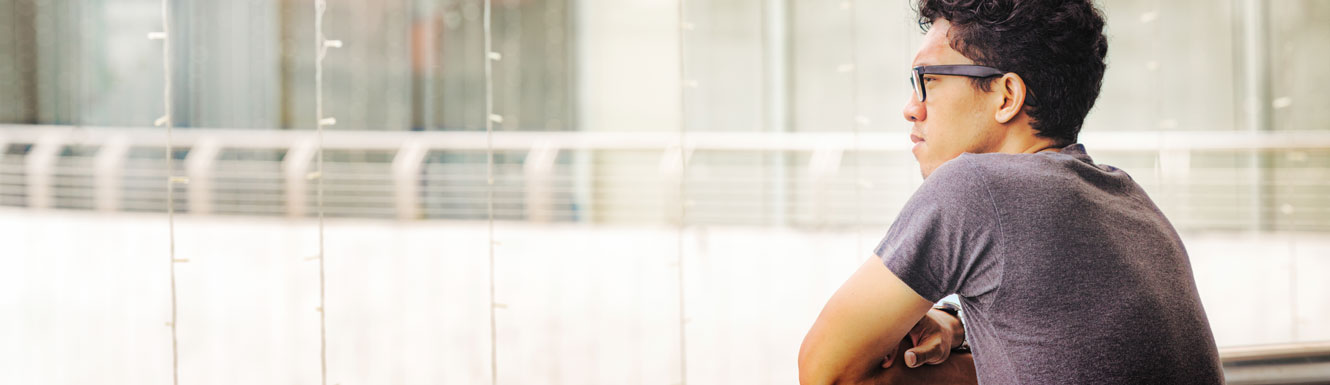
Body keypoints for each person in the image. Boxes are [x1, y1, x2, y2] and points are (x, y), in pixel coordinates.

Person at [797, 0, 1225, 384]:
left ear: (1006, 96)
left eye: (927, 79)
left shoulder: (974, 187)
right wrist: (958, 324)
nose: (911, 107)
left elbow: (827, 374)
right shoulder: (1129, 199)